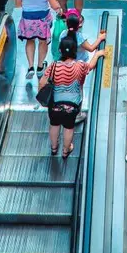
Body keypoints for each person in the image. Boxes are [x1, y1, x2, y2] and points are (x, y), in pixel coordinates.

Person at [40, 30, 109, 159]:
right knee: (68, 127)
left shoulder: (53, 66)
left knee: (54, 124)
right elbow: (91, 66)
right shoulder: (80, 65)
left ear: (60, 51)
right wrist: (98, 54)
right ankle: (66, 150)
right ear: (74, 51)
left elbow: (42, 82)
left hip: (55, 103)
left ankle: (54, 148)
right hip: (72, 105)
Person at [12, 0, 54, 75]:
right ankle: (40, 67)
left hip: (27, 19)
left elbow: (18, 4)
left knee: (30, 41)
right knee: (42, 42)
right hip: (43, 19)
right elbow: (54, 5)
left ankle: (30, 67)